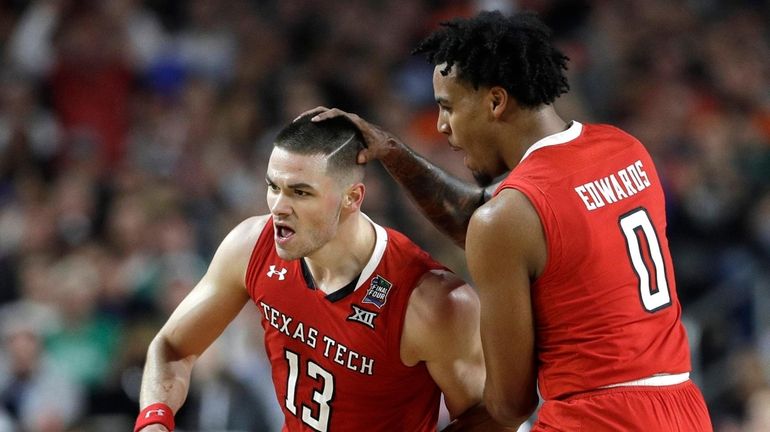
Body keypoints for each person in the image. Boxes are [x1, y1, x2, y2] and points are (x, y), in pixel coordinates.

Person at [307, 10, 713, 432]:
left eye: (447, 107)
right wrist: (393, 152)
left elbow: (509, 404)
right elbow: (502, 224)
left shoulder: (509, 218)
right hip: (683, 406)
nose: (443, 126)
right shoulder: (625, 148)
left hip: (595, 417)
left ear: (495, 101)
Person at [135, 114, 513, 432]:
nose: (279, 207)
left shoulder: (431, 301)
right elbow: (171, 349)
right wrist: (154, 419)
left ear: (353, 198)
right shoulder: (251, 245)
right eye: (273, 187)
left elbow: (491, 419)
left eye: (300, 193)